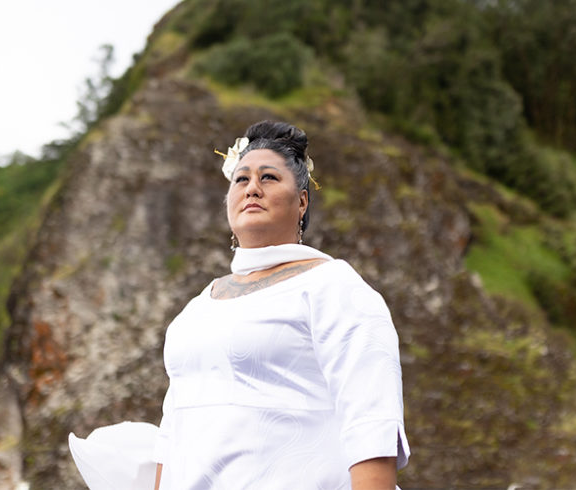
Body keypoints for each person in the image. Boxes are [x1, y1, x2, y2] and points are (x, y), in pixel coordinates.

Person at [153, 120, 410, 489]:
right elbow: (171, 432)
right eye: (240, 180)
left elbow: (371, 424)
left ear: (302, 201)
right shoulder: (196, 308)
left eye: (269, 178)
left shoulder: (333, 286)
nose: (252, 188)